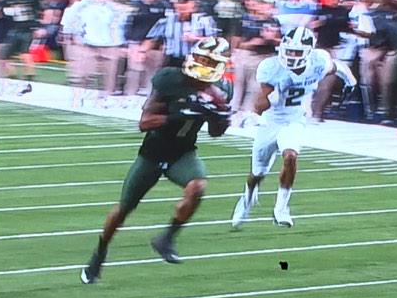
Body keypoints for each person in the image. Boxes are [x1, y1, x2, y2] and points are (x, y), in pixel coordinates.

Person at [80, 38, 233, 284]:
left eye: (209, 61)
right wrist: (179, 113)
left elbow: (216, 133)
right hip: (153, 152)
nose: (203, 64)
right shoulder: (172, 79)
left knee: (198, 187)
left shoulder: (221, 90)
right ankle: (99, 254)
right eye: (201, 58)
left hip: (182, 153)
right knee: (123, 210)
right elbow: (144, 122)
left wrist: (221, 117)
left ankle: (167, 238)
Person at [231, 27, 355, 229]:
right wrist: (274, 94)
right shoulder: (271, 67)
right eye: (289, 50)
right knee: (257, 173)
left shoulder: (318, 61)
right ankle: (247, 198)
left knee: (290, 156)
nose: (291, 56)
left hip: (294, 119)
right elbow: (261, 104)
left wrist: (351, 82)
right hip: (270, 120)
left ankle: (281, 208)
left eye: (297, 52)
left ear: (308, 51)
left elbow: (337, 66)